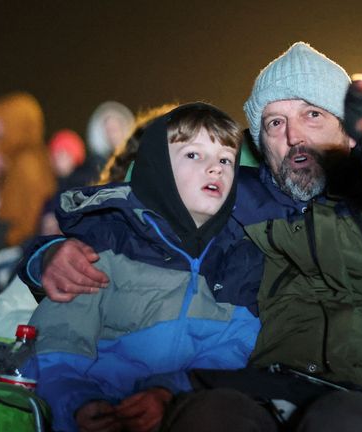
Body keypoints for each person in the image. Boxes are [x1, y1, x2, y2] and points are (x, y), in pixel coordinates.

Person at [21, 42, 362, 428]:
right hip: (273, 390)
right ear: (261, 144)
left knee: (344, 423)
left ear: (350, 132)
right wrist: (47, 255)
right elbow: (138, 210)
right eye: (275, 123)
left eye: (313, 115)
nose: (294, 137)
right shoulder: (238, 198)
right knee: (209, 417)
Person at [28, 102, 260, 432]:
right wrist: (77, 403)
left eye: (225, 159)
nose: (215, 169)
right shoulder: (106, 247)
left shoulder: (238, 259)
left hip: (182, 410)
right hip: (96, 411)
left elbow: (235, 346)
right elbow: (59, 339)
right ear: (157, 167)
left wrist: (171, 391)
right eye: (194, 155)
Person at [0, 92, 57, 248]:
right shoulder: (16, 161)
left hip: (21, 248)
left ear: (15, 122)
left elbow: (31, 217)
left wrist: (8, 239)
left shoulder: (27, 164)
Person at [86, 100, 136, 180]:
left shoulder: (138, 155)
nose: (113, 135)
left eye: (115, 128)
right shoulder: (100, 165)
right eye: (109, 131)